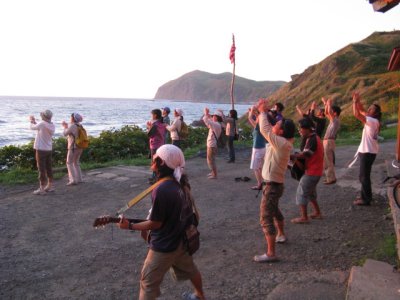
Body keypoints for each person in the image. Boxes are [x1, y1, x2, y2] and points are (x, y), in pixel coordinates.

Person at [117, 144, 205, 300]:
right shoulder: (179, 183)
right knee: (191, 270)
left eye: (156, 156)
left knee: (147, 283)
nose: (153, 157)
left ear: (162, 162)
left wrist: (129, 225)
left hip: (165, 246)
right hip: (181, 241)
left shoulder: (162, 189)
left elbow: (156, 224)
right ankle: (200, 295)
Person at [254, 98, 295, 263]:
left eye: (277, 125)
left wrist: (263, 111)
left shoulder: (280, 143)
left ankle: (271, 253)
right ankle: (281, 234)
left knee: (265, 217)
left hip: (272, 186)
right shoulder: (283, 142)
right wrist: (262, 112)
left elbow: (265, 130)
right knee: (275, 210)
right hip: (275, 185)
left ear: (281, 132)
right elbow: (267, 128)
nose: (275, 125)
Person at [290, 118, 324, 224]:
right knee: (310, 193)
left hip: (312, 171)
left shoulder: (313, 139)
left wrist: (291, 155)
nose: (299, 130)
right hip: (315, 170)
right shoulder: (312, 137)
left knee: (301, 192)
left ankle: (304, 217)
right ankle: (317, 212)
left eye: (301, 128)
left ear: (307, 129)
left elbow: (306, 155)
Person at [352, 92, 381, 206]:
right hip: (369, 151)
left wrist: (354, 102)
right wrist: (357, 100)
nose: (369, 109)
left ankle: (366, 199)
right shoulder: (373, 119)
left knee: (364, 176)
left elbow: (356, 114)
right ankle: (365, 196)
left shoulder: (372, 121)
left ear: (376, 113)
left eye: (372, 109)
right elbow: (362, 110)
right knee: (363, 175)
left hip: (367, 152)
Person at [29, 110, 56, 195]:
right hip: (48, 149)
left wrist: (31, 121)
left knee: (41, 169)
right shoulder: (52, 125)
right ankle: (50, 186)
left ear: (43, 116)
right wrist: (35, 122)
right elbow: (40, 127)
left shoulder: (42, 124)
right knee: (49, 168)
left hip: (41, 149)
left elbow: (32, 127)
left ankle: (42, 188)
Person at [322, 97, 341, 185]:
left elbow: (328, 112)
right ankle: (329, 177)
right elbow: (326, 113)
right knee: (326, 161)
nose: (330, 113)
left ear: (335, 113)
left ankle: (331, 179)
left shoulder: (336, 120)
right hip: (327, 141)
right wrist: (326, 104)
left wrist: (328, 104)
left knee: (328, 161)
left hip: (329, 141)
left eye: (332, 111)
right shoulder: (333, 120)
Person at [62, 113, 84, 186]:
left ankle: (73, 180)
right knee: (76, 162)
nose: (70, 118)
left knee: (69, 163)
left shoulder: (72, 126)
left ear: (73, 118)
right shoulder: (80, 125)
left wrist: (65, 127)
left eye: (71, 117)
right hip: (80, 146)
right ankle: (79, 179)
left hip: (73, 147)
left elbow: (65, 134)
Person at [248, 105, 266, 190]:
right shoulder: (262, 124)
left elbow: (250, 118)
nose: (256, 117)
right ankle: (263, 182)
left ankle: (259, 184)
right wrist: (254, 112)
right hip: (263, 147)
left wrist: (251, 110)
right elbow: (255, 117)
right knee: (260, 166)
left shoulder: (257, 126)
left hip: (257, 148)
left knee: (255, 167)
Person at [202, 108, 223, 179]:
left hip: (212, 145)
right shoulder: (217, 124)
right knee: (211, 159)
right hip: (212, 144)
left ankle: (215, 174)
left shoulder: (216, 125)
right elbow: (209, 122)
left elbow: (206, 121)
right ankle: (213, 172)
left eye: (214, 116)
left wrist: (206, 114)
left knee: (211, 160)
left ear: (216, 117)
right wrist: (207, 114)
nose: (212, 117)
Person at [147, 109, 167, 184]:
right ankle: (158, 176)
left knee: (154, 161)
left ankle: (154, 178)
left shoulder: (155, 125)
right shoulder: (162, 123)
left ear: (155, 115)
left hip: (155, 145)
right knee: (159, 161)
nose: (151, 116)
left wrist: (149, 127)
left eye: (151, 114)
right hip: (161, 144)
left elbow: (149, 135)